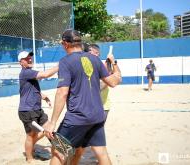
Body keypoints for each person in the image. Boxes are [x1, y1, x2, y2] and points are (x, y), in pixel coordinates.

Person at [44, 29, 122, 165]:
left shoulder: (65, 62)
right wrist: (114, 64)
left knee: (58, 151)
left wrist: (52, 122)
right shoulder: (95, 59)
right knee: (100, 152)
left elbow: (62, 93)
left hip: (77, 117)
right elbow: (114, 82)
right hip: (97, 116)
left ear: (65, 44)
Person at [17, 51, 58, 163]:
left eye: (30, 57)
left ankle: (57, 150)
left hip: (37, 109)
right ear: (21, 62)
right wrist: (60, 65)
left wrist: (42, 96)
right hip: (27, 111)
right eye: (26, 58)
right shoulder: (25, 73)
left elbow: (30, 89)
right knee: (31, 135)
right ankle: (29, 158)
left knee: (49, 128)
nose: (30, 59)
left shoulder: (29, 73)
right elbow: (45, 74)